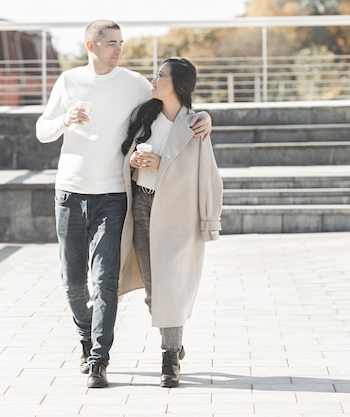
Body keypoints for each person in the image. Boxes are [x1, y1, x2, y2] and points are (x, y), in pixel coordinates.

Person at [35, 21, 212, 389]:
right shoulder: (69, 81)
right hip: (72, 192)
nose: (118, 49)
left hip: (116, 196)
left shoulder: (134, 83)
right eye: (111, 43)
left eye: (121, 43)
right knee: (73, 284)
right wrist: (64, 121)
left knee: (110, 282)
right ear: (90, 45)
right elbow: (42, 130)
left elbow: (177, 110)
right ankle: (88, 338)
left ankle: (103, 359)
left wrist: (206, 117)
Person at [120, 57, 223, 388]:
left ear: (177, 84)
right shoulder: (144, 118)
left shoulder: (195, 125)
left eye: (160, 75)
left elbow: (209, 176)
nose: (154, 78)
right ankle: (174, 341)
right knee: (154, 288)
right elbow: (129, 158)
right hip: (141, 205)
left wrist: (210, 221)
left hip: (177, 214)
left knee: (172, 287)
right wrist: (134, 160)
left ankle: (168, 359)